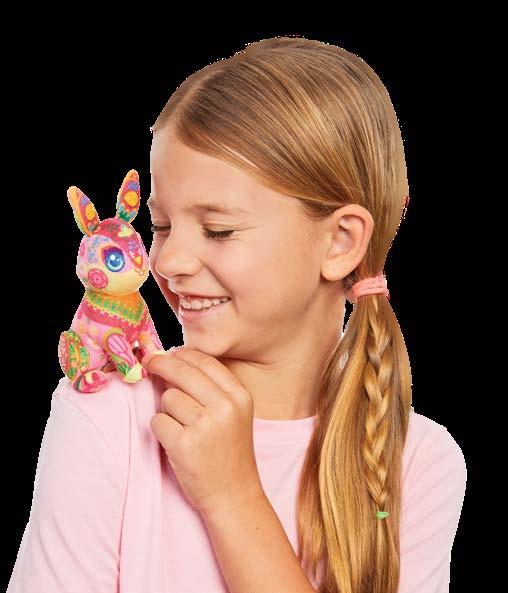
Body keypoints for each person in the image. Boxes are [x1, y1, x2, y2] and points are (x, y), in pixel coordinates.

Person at [7, 36, 467, 593]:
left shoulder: (417, 464)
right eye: (162, 226)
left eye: (218, 230)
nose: (167, 261)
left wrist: (233, 497)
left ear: (341, 242)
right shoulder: (108, 417)